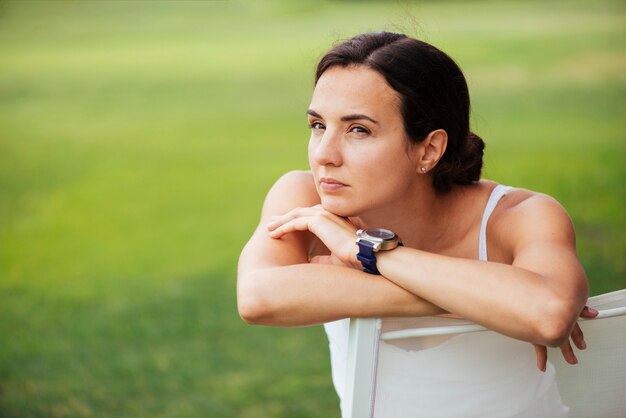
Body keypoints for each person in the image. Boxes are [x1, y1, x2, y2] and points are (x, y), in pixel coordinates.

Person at [237, 31, 596, 417]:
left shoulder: (518, 216)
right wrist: (490, 301)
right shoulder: (306, 200)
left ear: (428, 149)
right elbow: (258, 297)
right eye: (318, 125)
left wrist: (370, 253)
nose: (324, 154)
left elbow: (547, 315)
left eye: (358, 130)